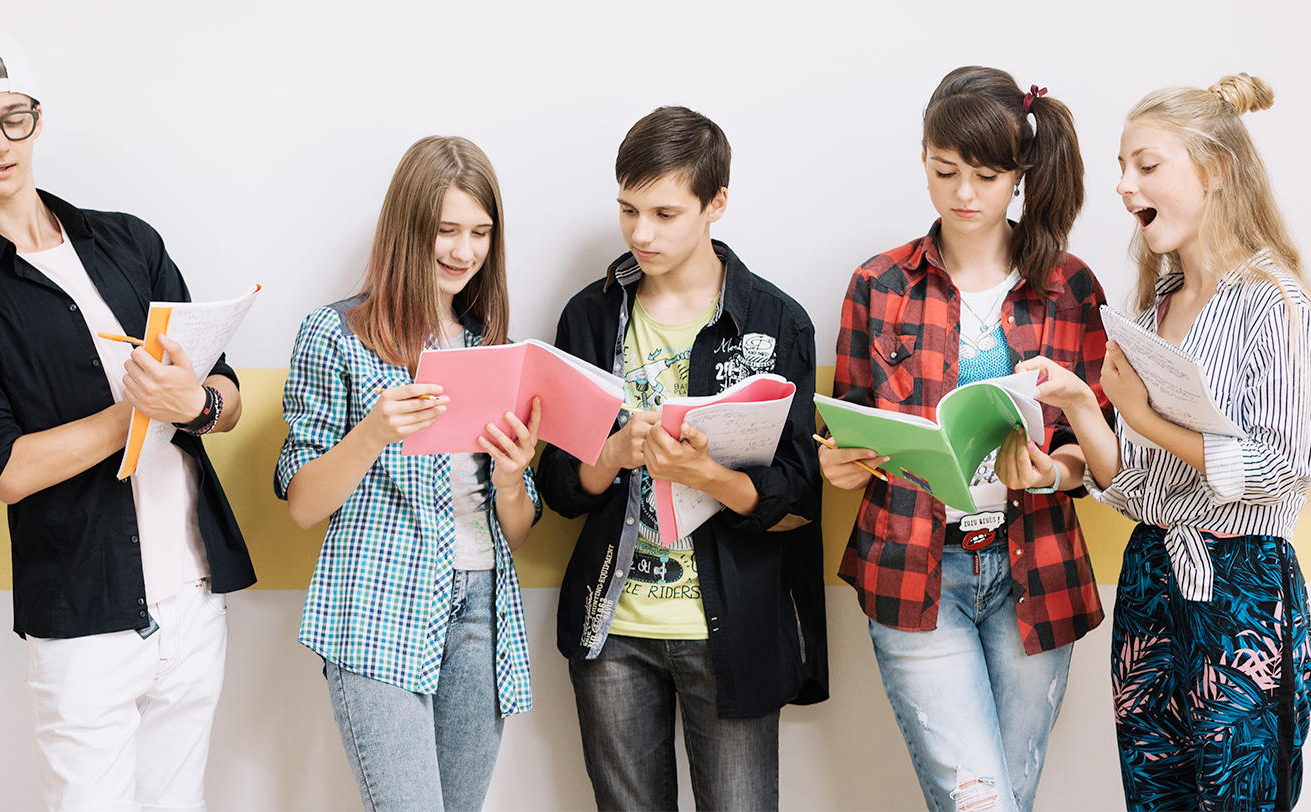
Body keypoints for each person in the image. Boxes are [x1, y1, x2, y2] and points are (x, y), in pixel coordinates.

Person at [0, 46, 255, 811]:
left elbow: (226, 394)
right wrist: (136, 412)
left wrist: (194, 404)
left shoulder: (129, 241)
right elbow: (6, 469)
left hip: (194, 595)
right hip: (83, 615)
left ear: (37, 124)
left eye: (13, 120)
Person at [1029, 73, 1311, 812]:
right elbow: (1136, 488)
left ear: (1215, 170)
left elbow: (1279, 473)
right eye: (1121, 167)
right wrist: (1081, 405)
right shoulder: (1155, 305)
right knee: (1153, 798)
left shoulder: (1274, 302)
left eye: (1145, 165)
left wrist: (1148, 416)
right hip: (1151, 577)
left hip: (1241, 588)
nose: (1124, 187)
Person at [820, 67, 1107, 812]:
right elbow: (845, 421)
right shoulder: (877, 284)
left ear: (1019, 175)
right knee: (978, 805)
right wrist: (838, 462)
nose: (963, 194)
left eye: (985, 176)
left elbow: (1096, 451)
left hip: (1034, 575)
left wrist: (1051, 470)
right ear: (923, 156)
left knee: (1005, 800)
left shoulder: (1069, 288)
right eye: (944, 171)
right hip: (915, 572)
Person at [536, 106, 826, 810]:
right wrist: (609, 455)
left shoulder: (774, 321)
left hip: (732, 629)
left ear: (715, 204)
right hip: (612, 629)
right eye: (628, 210)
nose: (641, 233)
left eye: (664, 213)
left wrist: (708, 477)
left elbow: (797, 490)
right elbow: (557, 485)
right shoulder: (590, 315)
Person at [274, 135, 541, 811]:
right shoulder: (335, 334)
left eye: (480, 232)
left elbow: (518, 527)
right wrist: (373, 433)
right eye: (445, 230)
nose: (463, 251)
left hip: (481, 604)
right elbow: (302, 504)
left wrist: (512, 478)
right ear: (407, 229)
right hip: (377, 603)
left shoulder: (494, 345)